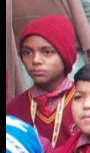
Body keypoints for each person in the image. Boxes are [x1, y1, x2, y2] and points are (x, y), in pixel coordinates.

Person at [5, 14, 82, 145]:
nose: (35, 60)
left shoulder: (85, 102)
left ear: (65, 55)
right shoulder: (14, 109)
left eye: (47, 52)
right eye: (27, 52)